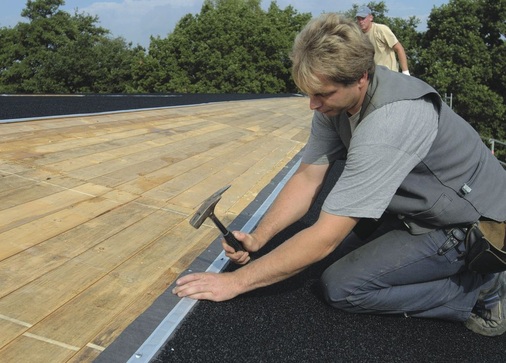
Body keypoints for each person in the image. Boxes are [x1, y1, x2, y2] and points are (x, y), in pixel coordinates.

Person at [173, 14, 506, 337]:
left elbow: (325, 238)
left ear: (361, 77)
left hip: (471, 223)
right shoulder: (335, 102)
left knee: (343, 286)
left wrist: (234, 284)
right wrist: (259, 237)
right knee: (315, 256)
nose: (313, 105)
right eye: (309, 93)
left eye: (322, 94)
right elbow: (307, 178)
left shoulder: (389, 123)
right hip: (422, 206)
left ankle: (480, 290)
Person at [356, 6, 410, 75]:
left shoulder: (381, 30)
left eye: (363, 18)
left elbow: (399, 48)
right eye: (358, 19)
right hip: (373, 76)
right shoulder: (359, 35)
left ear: (371, 18)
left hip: (389, 75)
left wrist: (405, 72)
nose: (361, 21)